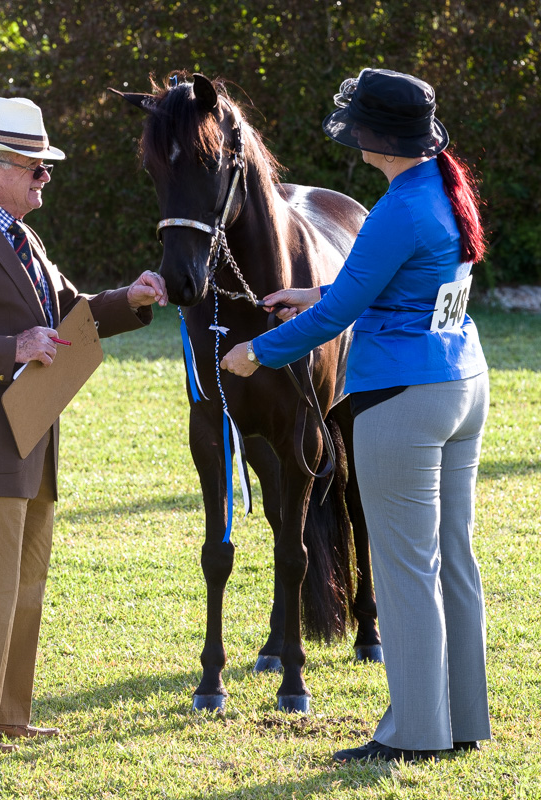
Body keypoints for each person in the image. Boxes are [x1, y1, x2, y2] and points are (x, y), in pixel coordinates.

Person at [221, 68, 491, 763]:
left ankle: (415, 734)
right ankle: (462, 720)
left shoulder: (399, 204)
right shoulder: (440, 189)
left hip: (406, 400)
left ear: (379, 136)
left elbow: (345, 313)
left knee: (404, 571)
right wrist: (311, 292)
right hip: (463, 383)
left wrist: (256, 350)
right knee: (452, 562)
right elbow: (388, 284)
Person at [0, 96, 167, 753]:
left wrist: (126, 302)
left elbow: (70, 310)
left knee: (22, 586)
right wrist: (11, 350)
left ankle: (5, 715)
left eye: (46, 168)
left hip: (30, 440)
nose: (46, 178)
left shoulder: (24, 236)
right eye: (35, 168)